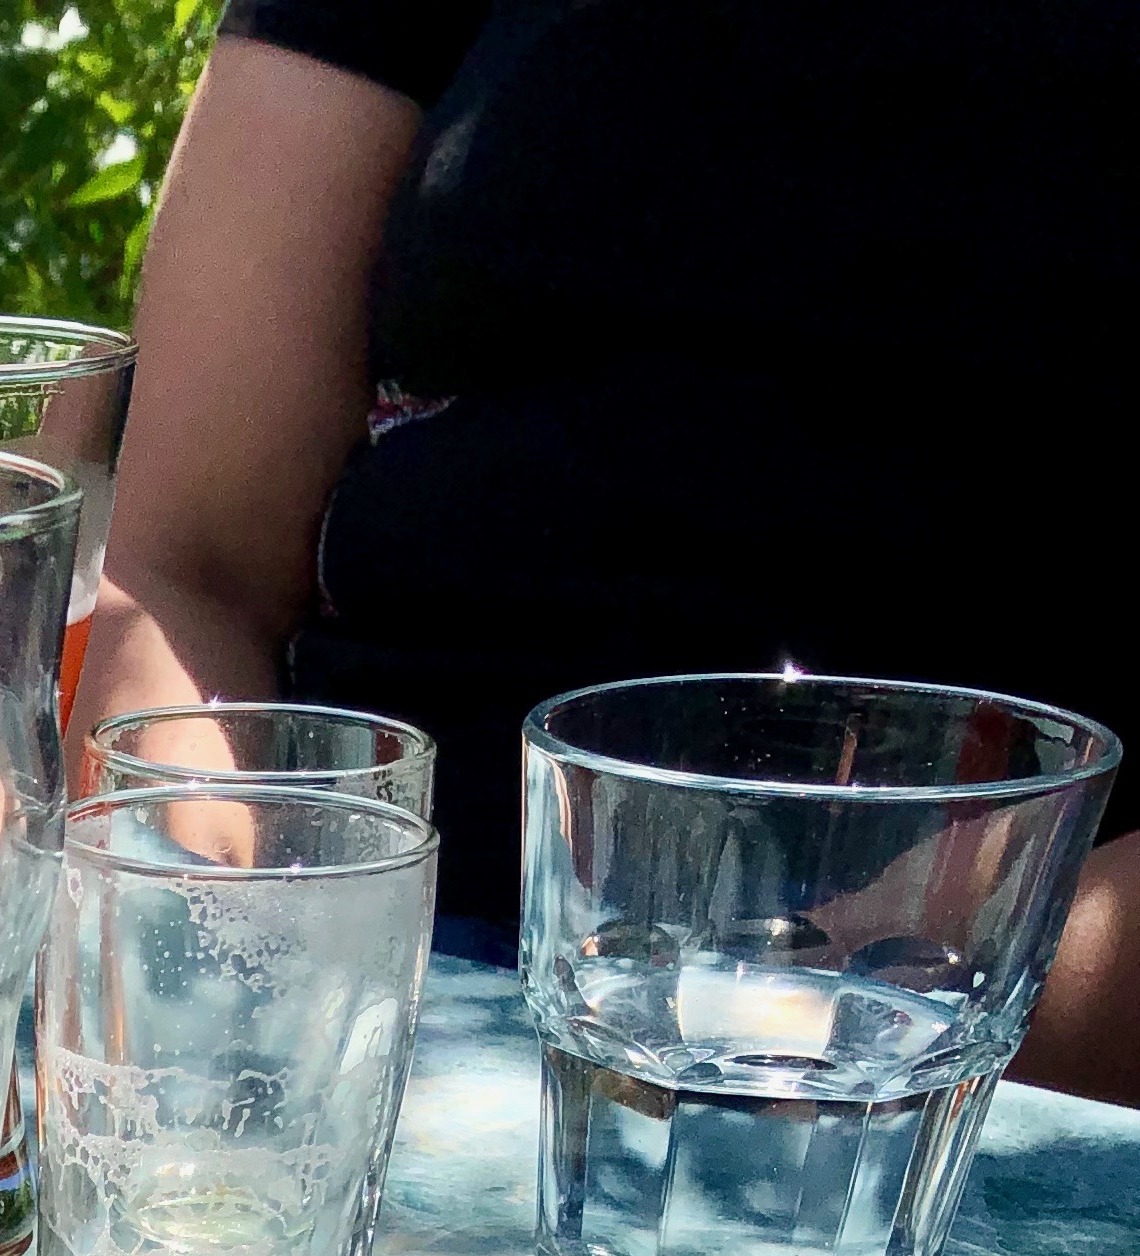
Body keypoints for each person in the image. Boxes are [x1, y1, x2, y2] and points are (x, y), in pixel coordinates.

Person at [77, 5, 1140, 1101]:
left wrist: (868, 1018)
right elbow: (178, 569)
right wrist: (212, 936)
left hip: (989, 1064)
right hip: (373, 978)